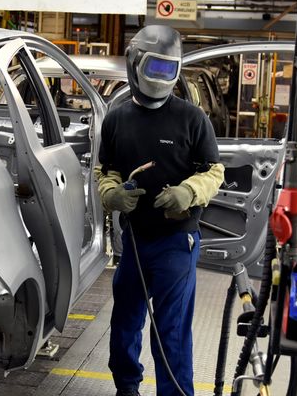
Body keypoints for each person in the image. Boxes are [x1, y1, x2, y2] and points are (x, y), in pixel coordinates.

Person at [95, 25, 225, 396]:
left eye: (169, 70)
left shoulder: (192, 118)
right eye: (156, 69)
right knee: (124, 323)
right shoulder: (117, 118)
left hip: (176, 240)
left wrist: (189, 191)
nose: (161, 78)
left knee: (170, 330)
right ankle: (127, 389)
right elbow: (107, 169)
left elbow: (214, 171)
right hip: (135, 240)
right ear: (136, 64)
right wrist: (112, 194)